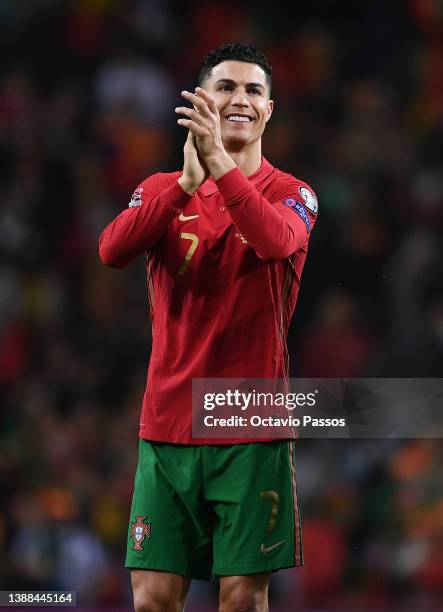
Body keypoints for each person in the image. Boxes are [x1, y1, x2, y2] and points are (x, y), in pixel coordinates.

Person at [99, 42, 318, 612]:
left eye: (253, 90)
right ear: (202, 100)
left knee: (242, 600)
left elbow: (275, 242)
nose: (239, 98)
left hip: (249, 426)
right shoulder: (160, 191)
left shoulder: (295, 195)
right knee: (151, 600)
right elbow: (111, 251)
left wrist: (219, 166)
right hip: (168, 422)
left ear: (269, 110)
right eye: (225, 87)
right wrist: (184, 185)